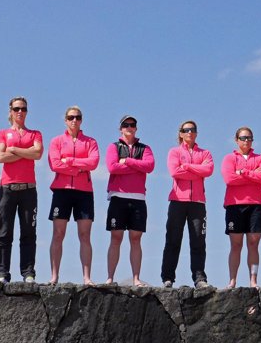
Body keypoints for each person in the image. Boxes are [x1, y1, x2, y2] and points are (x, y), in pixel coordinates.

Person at [48, 106, 99, 285]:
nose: (74, 121)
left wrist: (69, 161)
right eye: (71, 117)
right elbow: (54, 164)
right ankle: (54, 276)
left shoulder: (90, 142)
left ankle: (87, 277)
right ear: (65, 120)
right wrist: (80, 167)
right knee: (58, 234)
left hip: (84, 192)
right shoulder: (56, 141)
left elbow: (93, 162)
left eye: (77, 117)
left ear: (81, 120)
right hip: (61, 190)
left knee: (85, 235)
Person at [0, 96, 43, 283]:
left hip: (29, 189)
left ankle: (28, 273)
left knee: (29, 232)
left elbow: (37, 153)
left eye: (23, 108)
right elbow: (0, 156)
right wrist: (25, 152)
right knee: (4, 232)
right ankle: (2, 273)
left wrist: (13, 149)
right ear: (10, 111)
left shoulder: (35, 134)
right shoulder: (2, 133)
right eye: (16, 109)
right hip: (8, 188)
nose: (20, 112)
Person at [161, 120, 214, 288]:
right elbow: (174, 171)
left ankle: (199, 278)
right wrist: (196, 170)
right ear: (181, 133)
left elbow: (209, 170)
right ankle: (168, 277)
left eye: (193, 129)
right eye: (186, 130)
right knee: (173, 239)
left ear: (196, 133)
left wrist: (188, 167)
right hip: (177, 201)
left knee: (198, 241)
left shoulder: (205, 153)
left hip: (198, 203)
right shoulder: (174, 152)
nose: (190, 132)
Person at [104, 115, 155, 286]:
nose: (129, 127)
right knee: (116, 237)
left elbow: (149, 166)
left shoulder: (145, 148)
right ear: (120, 128)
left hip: (138, 199)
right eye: (126, 125)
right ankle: (110, 277)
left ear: (136, 128)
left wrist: (127, 161)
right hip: (118, 197)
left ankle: (136, 278)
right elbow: (112, 167)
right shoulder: (114, 146)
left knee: (135, 239)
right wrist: (136, 167)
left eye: (132, 125)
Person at [221, 127, 261, 288]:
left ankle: (253, 280)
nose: (246, 141)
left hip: (256, 205)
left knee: (253, 243)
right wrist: (252, 175)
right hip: (235, 205)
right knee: (236, 244)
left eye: (249, 138)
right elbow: (229, 178)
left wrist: (243, 172)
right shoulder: (229, 158)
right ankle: (232, 280)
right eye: (243, 138)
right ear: (236, 140)